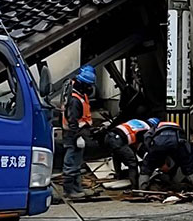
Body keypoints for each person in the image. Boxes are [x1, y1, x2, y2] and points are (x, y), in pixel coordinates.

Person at [62, 65, 96, 199]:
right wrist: (77, 137)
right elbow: (73, 120)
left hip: (78, 133)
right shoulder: (75, 100)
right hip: (73, 135)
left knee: (77, 162)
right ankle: (69, 190)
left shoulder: (80, 95)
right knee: (71, 163)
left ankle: (77, 188)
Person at [138, 120, 193, 190]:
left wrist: (150, 150)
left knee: (147, 166)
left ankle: (142, 189)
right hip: (176, 144)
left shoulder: (155, 127)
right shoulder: (178, 129)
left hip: (159, 144)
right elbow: (185, 144)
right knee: (186, 164)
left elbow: (147, 137)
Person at [103, 117, 159, 189]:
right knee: (132, 163)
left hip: (108, 137)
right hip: (118, 140)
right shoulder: (147, 129)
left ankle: (118, 175)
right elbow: (141, 145)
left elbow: (133, 139)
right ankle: (134, 186)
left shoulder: (137, 121)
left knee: (116, 155)